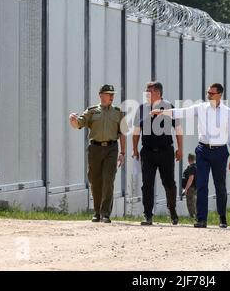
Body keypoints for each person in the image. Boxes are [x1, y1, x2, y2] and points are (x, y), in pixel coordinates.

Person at [151, 83, 230, 229]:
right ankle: (201, 219)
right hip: (203, 150)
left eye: (211, 93)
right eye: (207, 92)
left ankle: (222, 217)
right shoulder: (201, 108)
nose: (208, 95)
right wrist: (162, 112)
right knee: (201, 184)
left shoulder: (228, 112)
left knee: (220, 185)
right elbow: (181, 112)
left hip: (220, 151)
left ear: (220, 95)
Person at [69, 84, 127, 223]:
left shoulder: (119, 112)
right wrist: (73, 120)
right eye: (109, 94)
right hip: (95, 149)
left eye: (113, 94)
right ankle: (96, 211)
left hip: (111, 149)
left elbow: (123, 133)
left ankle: (105, 213)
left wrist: (123, 152)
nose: (112, 97)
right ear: (101, 95)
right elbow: (78, 124)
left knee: (108, 180)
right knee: (95, 181)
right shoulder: (92, 111)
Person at [132, 81, 183, 226]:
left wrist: (180, 148)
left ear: (158, 93)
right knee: (146, 184)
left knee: (169, 183)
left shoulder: (169, 107)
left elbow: (178, 129)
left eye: (149, 91)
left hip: (166, 151)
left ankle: (172, 211)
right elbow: (136, 131)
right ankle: (148, 214)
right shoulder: (142, 109)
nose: (146, 94)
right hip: (147, 152)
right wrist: (134, 148)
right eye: (146, 91)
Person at [182, 153, 197, 220]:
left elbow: (191, 178)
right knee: (194, 202)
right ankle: (195, 216)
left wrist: (186, 189)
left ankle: (193, 217)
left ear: (188, 159)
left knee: (190, 203)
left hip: (191, 188)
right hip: (195, 188)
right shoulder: (196, 166)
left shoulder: (191, 167)